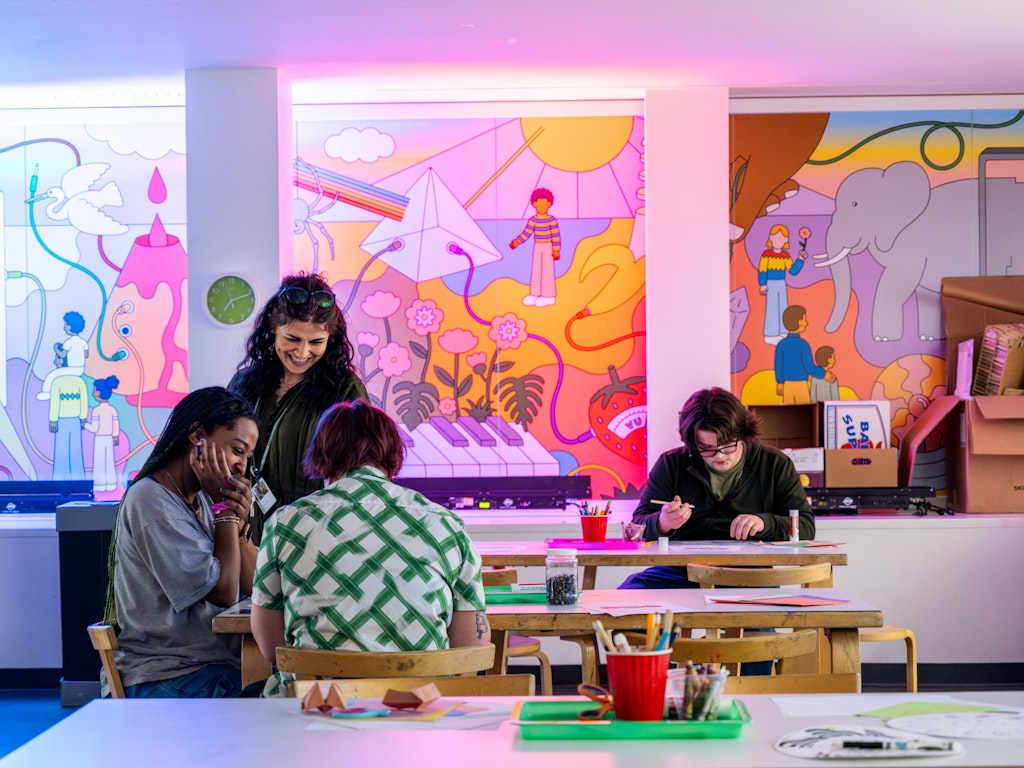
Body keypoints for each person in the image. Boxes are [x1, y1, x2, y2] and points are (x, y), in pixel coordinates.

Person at [250, 399, 489, 697]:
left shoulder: (285, 522)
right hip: (421, 713)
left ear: (322, 455)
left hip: (315, 711)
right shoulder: (447, 522)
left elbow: (272, 648)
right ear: (393, 455)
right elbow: (471, 645)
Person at [102, 386, 259, 697]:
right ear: (197, 435)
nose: (243, 467)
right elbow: (225, 594)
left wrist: (240, 527)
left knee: (294, 690)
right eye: (238, 450)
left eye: (248, 457)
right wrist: (224, 512)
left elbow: (257, 585)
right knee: (279, 706)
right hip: (165, 673)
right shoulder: (150, 500)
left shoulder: (202, 497)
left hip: (209, 666)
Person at [619, 387, 814, 589]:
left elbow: (806, 528)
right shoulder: (671, 464)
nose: (720, 456)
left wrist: (764, 523)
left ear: (743, 434)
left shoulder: (774, 464)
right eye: (707, 449)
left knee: (765, 613)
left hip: (748, 574)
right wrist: (663, 521)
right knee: (626, 596)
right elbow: (637, 525)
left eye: (728, 445)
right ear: (693, 444)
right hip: (678, 572)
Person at [228, 272, 367, 544]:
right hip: (246, 527)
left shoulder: (345, 390)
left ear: (332, 339)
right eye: (292, 338)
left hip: (315, 533)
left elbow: (363, 474)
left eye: (316, 342)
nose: (303, 352)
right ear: (272, 327)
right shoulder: (246, 382)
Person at [510, 187, 561, 307]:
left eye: (545, 203)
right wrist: (517, 242)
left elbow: (556, 235)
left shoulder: (552, 220)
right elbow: (526, 233)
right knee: (537, 269)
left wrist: (556, 250)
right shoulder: (533, 220)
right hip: (537, 246)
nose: (542, 206)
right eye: (538, 203)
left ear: (549, 204)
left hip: (548, 246)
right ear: (534, 204)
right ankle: (535, 293)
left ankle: (549, 296)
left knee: (547, 270)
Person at [758, 224, 807, 345]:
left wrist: (800, 259)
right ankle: (770, 334)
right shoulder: (766, 254)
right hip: (770, 283)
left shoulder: (785, 256)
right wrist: (762, 284)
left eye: (782, 238)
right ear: (771, 238)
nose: (778, 240)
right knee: (772, 308)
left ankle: (783, 332)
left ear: (786, 240)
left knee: (783, 307)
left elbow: (793, 270)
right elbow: (762, 270)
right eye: (776, 237)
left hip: (781, 283)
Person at [774, 304, 831, 404]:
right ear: (799, 322)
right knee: (804, 412)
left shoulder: (781, 345)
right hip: (801, 385)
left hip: (787, 385)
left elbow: (778, 366)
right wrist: (824, 374)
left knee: (789, 412)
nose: (806, 323)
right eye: (804, 319)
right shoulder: (803, 345)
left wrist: (780, 382)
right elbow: (809, 367)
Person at [84, 375, 121, 492]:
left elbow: (95, 428)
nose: (93, 393)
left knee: (100, 461)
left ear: (99, 392)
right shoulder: (112, 409)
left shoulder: (97, 410)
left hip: (100, 438)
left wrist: (84, 424)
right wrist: (115, 436)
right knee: (109, 460)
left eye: (94, 390)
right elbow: (115, 425)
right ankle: (111, 484)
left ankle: (99, 485)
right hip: (109, 438)